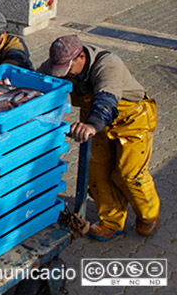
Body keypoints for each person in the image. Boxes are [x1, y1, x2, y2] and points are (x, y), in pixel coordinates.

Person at [38, 35, 160, 241]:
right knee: (97, 172)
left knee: (128, 174)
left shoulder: (107, 64)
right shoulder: (56, 64)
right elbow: (39, 80)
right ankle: (112, 221)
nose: (64, 73)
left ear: (81, 57)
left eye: (68, 68)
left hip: (131, 120)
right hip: (92, 119)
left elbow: (106, 100)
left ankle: (149, 215)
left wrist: (92, 125)